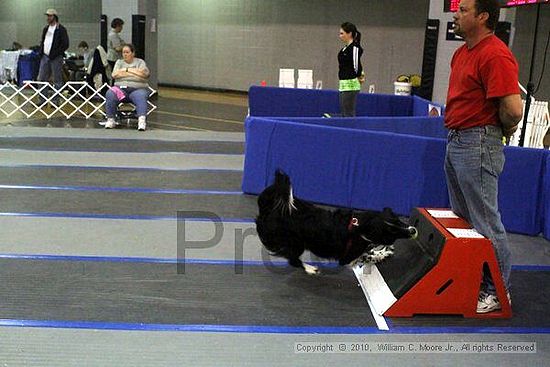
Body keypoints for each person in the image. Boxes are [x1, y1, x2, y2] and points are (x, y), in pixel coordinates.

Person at [444, 0, 523, 313]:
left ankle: (498, 293)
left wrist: (498, 132)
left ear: (483, 16)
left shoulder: (495, 53)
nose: (456, 13)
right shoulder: (462, 53)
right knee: (464, 220)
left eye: (463, 9)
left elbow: (514, 109)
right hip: (456, 140)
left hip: (478, 142)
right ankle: (474, 282)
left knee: (486, 223)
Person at [104, 44, 150, 131]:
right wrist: (134, 72)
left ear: (133, 53)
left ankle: (141, 121)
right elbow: (114, 75)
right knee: (110, 93)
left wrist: (126, 70)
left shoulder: (140, 62)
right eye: (123, 52)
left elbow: (144, 74)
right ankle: (111, 119)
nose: (125, 54)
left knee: (141, 96)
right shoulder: (119, 62)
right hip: (120, 89)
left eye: (127, 52)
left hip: (137, 89)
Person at [37, 8, 69, 100]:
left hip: (56, 58)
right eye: (47, 16)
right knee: (42, 78)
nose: (48, 18)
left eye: (50, 16)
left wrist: (56, 53)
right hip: (44, 56)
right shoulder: (45, 29)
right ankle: (42, 99)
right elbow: (43, 41)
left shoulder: (61, 29)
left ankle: (55, 100)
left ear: (54, 17)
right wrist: (41, 51)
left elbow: (65, 44)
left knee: (57, 80)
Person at [337, 22, 365, 117]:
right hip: (343, 84)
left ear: (349, 34)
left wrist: (359, 76)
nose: (340, 36)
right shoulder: (345, 49)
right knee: (344, 112)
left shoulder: (355, 48)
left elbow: (356, 65)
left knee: (348, 113)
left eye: (342, 33)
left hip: (351, 84)